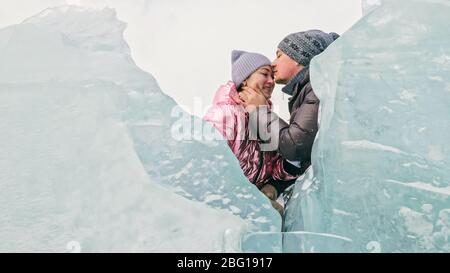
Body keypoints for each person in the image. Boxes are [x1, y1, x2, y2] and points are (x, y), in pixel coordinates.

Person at [204, 50, 301, 215]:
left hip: (252, 204)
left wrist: (273, 187)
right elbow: (210, 169)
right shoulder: (224, 114)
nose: (272, 81)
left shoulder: (263, 116)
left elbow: (275, 164)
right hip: (228, 210)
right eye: (264, 74)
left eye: (272, 76)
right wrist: (250, 201)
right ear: (245, 80)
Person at [238, 30, 339, 181]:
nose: (273, 64)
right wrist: (276, 186)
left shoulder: (318, 87)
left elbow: (295, 146)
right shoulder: (308, 90)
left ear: (298, 57)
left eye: (279, 55)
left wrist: (260, 111)